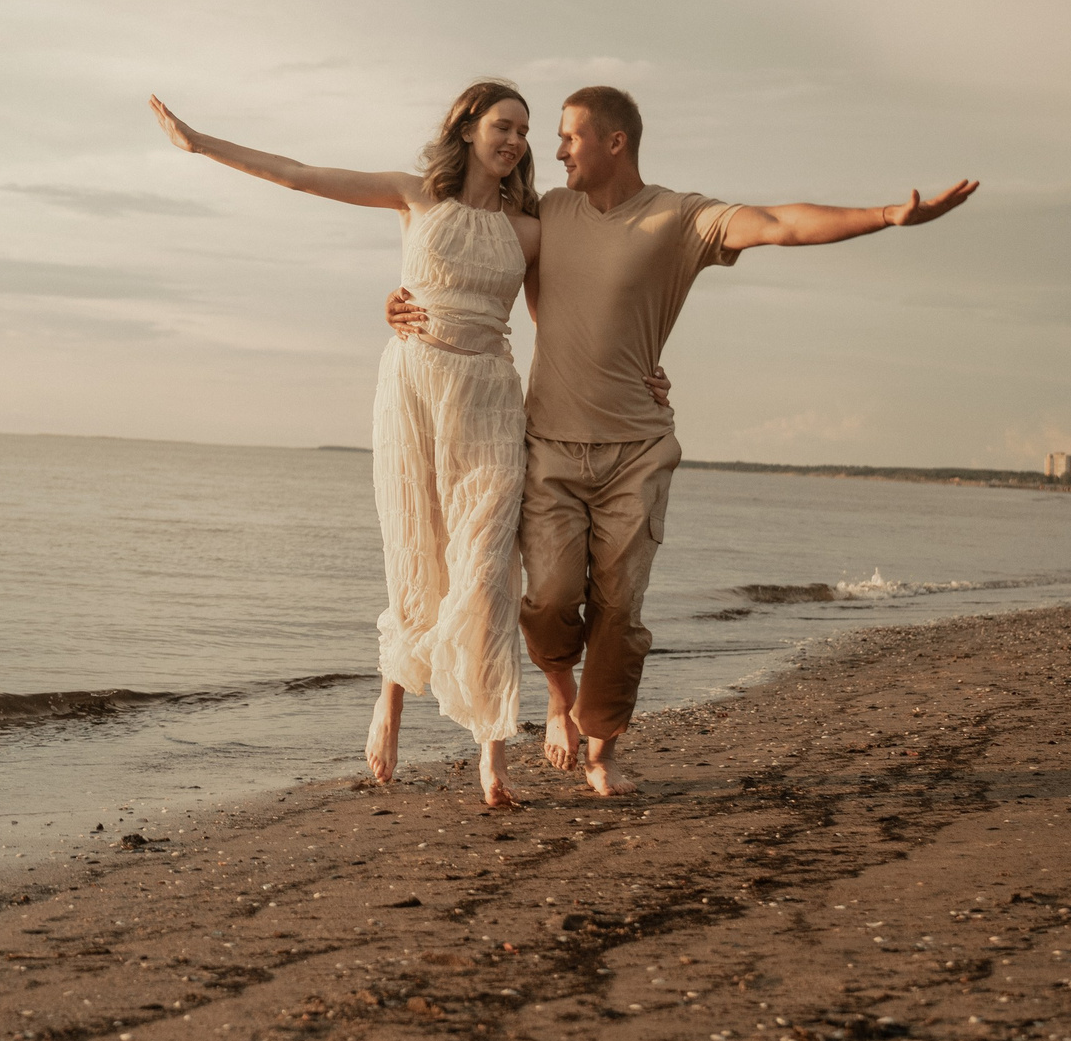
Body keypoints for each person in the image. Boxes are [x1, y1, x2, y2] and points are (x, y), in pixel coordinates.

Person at [391, 85, 975, 797]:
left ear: (615, 142)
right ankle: (557, 692)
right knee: (544, 600)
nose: (556, 149)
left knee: (618, 606)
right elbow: (463, 254)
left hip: (636, 447)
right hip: (547, 441)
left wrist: (888, 215)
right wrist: (402, 302)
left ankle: (602, 747)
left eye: (570, 136)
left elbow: (779, 222)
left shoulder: (680, 217)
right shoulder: (548, 211)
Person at [150, 83, 586, 806]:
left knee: (486, 564)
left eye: (524, 131)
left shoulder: (530, 229)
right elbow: (301, 173)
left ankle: (492, 751)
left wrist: (638, 373)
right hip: (413, 388)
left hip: (488, 396)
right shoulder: (412, 195)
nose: (514, 140)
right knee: (416, 552)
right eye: (503, 125)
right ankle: (390, 704)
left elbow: (559, 323)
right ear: (469, 128)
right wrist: (203, 145)